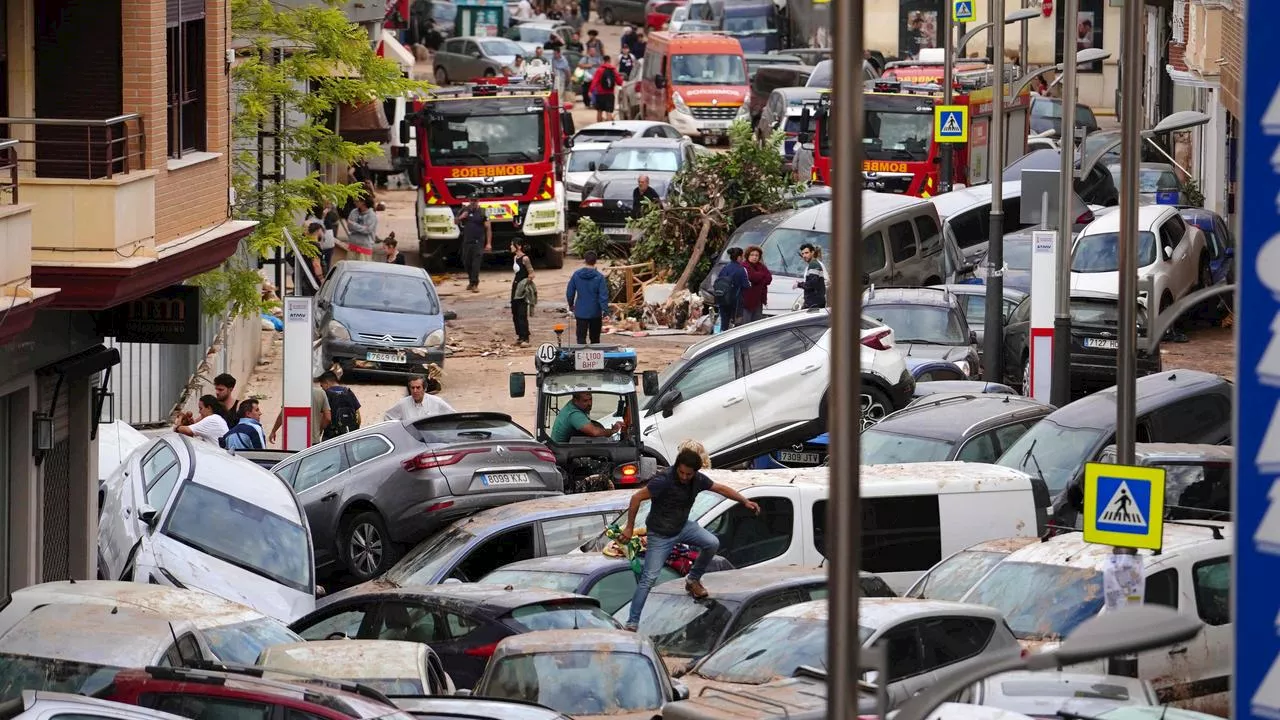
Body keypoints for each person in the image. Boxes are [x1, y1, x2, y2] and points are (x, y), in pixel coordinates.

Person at [620, 447, 760, 631]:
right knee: (649, 578)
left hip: (682, 527)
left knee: (712, 543)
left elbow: (720, 488)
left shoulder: (698, 480)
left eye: (689, 474)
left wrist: (744, 501)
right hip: (660, 534)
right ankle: (632, 623)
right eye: (682, 472)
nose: (685, 477)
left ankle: (693, 580)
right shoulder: (663, 480)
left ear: (695, 472)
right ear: (677, 467)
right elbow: (636, 497)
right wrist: (629, 527)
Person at [268, 377, 332, 446]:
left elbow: (282, 415)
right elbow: (328, 418)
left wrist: (273, 431)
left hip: (296, 439)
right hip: (314, 440)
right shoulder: (321, 393)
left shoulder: (292, 394)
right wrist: (319, 430)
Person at [566, 251, 609, 344]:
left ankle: (581, 357)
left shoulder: (576, 275)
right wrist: (605, 311)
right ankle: (595, 358)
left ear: (584, 261)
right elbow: (603, 296)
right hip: (595, 312)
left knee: (580, 339)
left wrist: (571, 305)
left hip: (581, 312)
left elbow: (570, 292)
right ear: (595, 261)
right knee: (595, 339)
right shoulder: (599, 277)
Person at [551, 392, 622, 443]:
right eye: (585, 401)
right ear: (575, 401)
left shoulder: (575, 405)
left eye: (590, 399)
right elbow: (595, 432)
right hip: (562, 450)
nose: (589, 403)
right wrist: (612, 431)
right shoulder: (574, 414)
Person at [384, 375, 456, 422]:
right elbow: (388, 417)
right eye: (412, 388)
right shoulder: (403, 404)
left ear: (425, 389)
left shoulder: (436, 402)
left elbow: (454, 417)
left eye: (418, 388)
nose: (415, 391)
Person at [457, 198, 492, 292]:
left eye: (475, 201)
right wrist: (461, 217)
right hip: (467, 241)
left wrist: (488, 243)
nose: (473, 202)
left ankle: (475, 284)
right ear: (469, 201)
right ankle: (471, 282)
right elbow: (455, 222)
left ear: (478, 201)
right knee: (466, 262)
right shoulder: (464, 210)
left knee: (476, 263)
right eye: (472, 200)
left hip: (478, 241)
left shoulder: (483, 212)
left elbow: (488, 228)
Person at [713, 247, 749, 332]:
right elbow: (746, 285)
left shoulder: (725, 268)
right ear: (739, 257)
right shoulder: (741, 269)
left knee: (724, 322)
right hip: (735, 301)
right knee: (734, 325)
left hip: (722, 298)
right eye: (742, 256)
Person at [319, 371, 362, 439]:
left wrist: (320, 430)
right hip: (349, 434)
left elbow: (326, 418)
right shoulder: (348, 392)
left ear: (326, 383)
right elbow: (358, 417)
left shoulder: (326, 394)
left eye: (322, 385)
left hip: (331, 436)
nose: (322, 388)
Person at [511, 241, 537, 347]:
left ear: (519, 246)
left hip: (522, 289)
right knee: (515, 312)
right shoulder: (515, 258)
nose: (510, 247)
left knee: (522, 313)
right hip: (515, 287)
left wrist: (525, 284)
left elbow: (531, 273)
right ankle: (520, 336)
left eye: (512, 245)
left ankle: (526, 337)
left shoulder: (525, 259)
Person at [339, 195, 378, 262]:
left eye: (357, 201)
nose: (354, 202)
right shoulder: (354, 212)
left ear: (363, 202)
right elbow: (349, 227)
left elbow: (367, 230)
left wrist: (354, 224)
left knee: (363, 269)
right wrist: (361, 227)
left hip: (365, 247)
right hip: (353, 245)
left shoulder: (372, 215)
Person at [739, 245, 772, 323]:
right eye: (752, 255)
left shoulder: (761, 266)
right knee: (745, 324)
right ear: (748, 255)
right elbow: (752, 277)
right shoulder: (744, 266)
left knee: (756, 324)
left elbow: (769, 279)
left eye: (757, 255)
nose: (754, 257)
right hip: (746, 301)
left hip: (759, 300)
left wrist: (759, 278)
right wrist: (762, 276)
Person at [590, 55, 623, 122]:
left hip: (600, 94)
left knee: (599, 111)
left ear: (603, 61)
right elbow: (619, 82)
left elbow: (594, 82)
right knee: (609, 112)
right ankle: (609, 128)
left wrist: (590, 91)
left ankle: (599, 127)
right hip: (610, 94)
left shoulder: (599, 70)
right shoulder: (613, 70)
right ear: (609, 61)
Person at [795, 243, 827, 309]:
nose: (804, 255)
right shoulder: (812, 265)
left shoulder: (814, 265)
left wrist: (799, 284)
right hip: (813, 302)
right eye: (803, 254)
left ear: (812, 252)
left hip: (813, 303)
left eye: (806, 253)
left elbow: (812, 284)